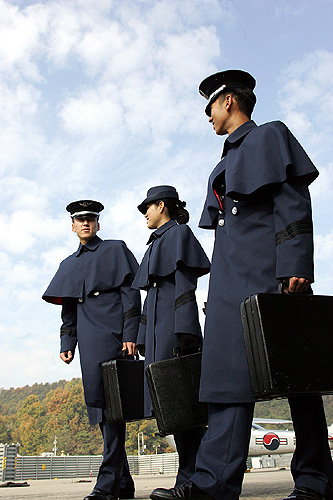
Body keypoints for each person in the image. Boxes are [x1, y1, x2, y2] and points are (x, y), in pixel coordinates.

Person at [150, 71, 333, 500]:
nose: (208, 116)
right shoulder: (223, 161)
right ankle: (213, 485)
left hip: (272, 273)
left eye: (209, 107)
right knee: (225, 380)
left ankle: (315, 481)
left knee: (296, 380)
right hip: (230, 285)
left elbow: (292, 200)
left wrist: (295, 263)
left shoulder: (269, 135)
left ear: (229, 101)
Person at [43, 200, 141, 500]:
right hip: (88, 342)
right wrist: (66, 343)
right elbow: (68, 311)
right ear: (72, 226)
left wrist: (130, 334)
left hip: (114, 337)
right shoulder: (68, 265)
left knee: (114, 410)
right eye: (80, 220)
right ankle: (123, 484)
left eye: (90, 219)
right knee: (99, 411)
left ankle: (106, 485)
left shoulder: (115, 249)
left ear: (98, 224)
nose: (85, 224)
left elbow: (131, 295)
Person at [132, 185, 210, 486]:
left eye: (147, 209)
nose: (146, 215)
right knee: (171, 406)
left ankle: (193, 476)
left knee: (183, 406)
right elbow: (149, 295)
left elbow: (185, 286)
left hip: (173, 330)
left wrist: (187, 331)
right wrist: (141, 335)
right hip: (155, 332)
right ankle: (192, 474)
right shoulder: (153, 244)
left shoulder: (178, 235)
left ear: (161, 205)